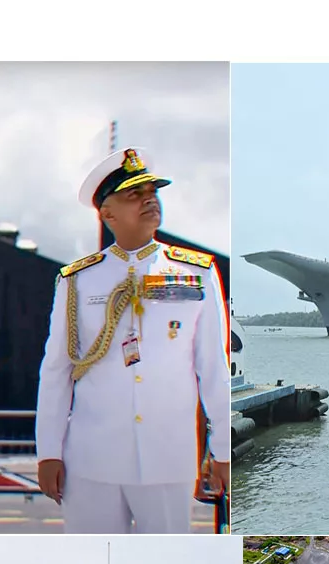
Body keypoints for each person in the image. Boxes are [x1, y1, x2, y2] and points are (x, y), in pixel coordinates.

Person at [35, 146, 231, 533]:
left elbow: (212, 368)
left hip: (167, 455)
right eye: (133, 195)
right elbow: (57, 370)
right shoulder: (77, 281)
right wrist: (48, 453)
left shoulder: (196, 273)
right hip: (92, 458)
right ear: (106, 213)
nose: (149, 200)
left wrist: (223, 449)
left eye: (152, 192)